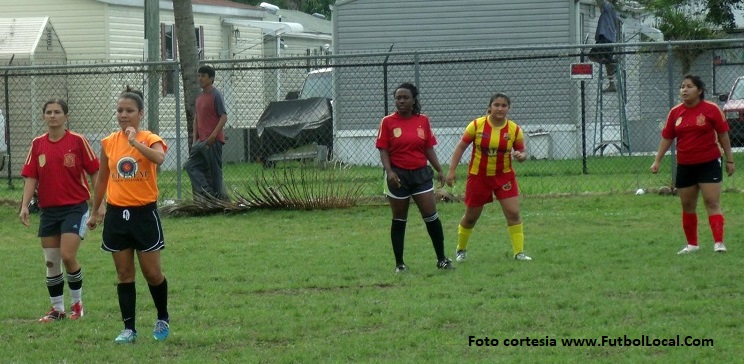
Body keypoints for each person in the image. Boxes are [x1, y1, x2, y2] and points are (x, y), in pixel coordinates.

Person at [87, 87, 170, 343]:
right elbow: (102, 179)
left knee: (152, 274)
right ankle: (129, 329)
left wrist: (135, 142)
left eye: (129, 111)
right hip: (116, 215)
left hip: (143, 215)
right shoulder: (109, 142)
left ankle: (162, 317)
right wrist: (95, 211)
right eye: (120, 110)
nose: (123, 115)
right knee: (124, 274)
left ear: (140, 113)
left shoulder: (149, 137)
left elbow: (159, 158)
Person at [19, 99, 100, 322]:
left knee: (67, 255)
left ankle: (77, 306)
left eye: (57, 112)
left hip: (75, 208)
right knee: (51, 261)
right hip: (48, 210)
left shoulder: (78, 141)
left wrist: (99, 204)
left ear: (66, 116)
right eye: (48, 112)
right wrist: (25, 205)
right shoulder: (37, 144)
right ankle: (57, 310)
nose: (52, 116)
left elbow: (95, 172)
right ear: (44, 116)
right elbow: (31, 176)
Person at [650, 74, 735, 255]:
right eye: (682, 87)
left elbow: (723, 135)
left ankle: (719, 242)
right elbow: (667, 137)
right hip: (686, 165)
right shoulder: (675, 112)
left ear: (700, 90)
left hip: (709, 163)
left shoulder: (711, 109)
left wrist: (729, 159)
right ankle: (692, 244)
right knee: (687, 205)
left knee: (711, 202)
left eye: (689, 86)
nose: (684, 90)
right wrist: (657, 160)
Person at [375, 82, 454, 272]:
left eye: (405, 97)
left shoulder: (423, 121)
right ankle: (400, 264)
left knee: (431, 215)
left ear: (413, 100)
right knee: (399, 219)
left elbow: (428, 148)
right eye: (398, 98)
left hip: (420, 174)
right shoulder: (387, 122)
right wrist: (390, 172)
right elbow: (383, 149)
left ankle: (442, 259)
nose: (401, 101)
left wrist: (439, 170)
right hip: (398, 176)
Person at [445, 93, 532, 262]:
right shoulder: (476, 125)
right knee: (471, 217)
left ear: (509, 108)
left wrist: (521, 156)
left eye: (504, 105)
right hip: (479, 177)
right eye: (496, 105)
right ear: (490, 107)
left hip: (504, 177)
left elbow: (522, 152)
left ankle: (519, 253)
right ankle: (461, 249)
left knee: (513, 213)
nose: (500, 108)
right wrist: (452, 171)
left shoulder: (514, 129)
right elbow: (461, 146)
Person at [185, 64, 228, 200]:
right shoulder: (199, 97)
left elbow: (223, 116)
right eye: (198, 76)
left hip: (212, 141)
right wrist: (194, 139)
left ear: (211, 78)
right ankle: (209, 193)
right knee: (190, 166)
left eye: (203, 76)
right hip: (200, 141)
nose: (200, 79)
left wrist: (213, 136)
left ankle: (220, 200)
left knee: (215, 172)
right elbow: (196, 118)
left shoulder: (216, 95)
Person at [588, 0, 620, 93]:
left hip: (605, 38)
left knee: (592, 55)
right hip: (609, 39)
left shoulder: (609, 6)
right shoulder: (610, 12)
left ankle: (612, 62)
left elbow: (601, 1)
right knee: (605, 61)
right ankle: (612, 84)